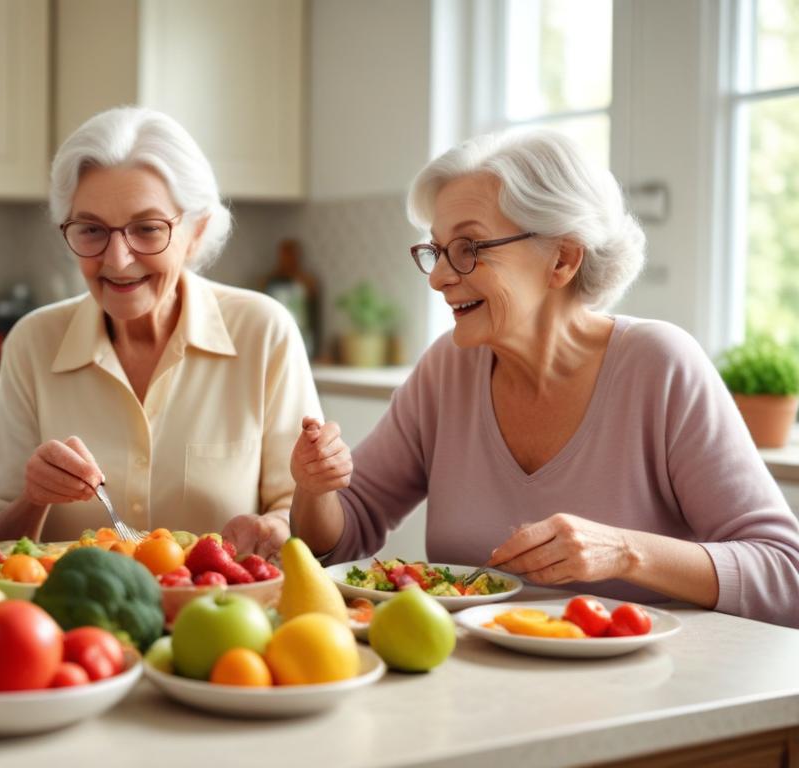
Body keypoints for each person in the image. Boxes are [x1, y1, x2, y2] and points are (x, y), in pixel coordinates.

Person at [290, 129, 799, 628]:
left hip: (645, 691)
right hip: (477, 680)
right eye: (437, 250)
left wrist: (625, 552)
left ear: (563, 258)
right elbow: (346, 530)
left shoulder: (660, 366)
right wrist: (315, 490)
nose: (439, 277)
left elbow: (785, 574)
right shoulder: (448, 368)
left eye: (469, 248)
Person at [0, 107, 328, 559]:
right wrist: (35, 497)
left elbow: (299, 511)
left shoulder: (264, 332)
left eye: (147, 229)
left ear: (196, 233)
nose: (118, 259)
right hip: (69, 623)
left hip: (220, 614)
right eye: (91, 230)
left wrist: (273, 528)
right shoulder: (32, 342)